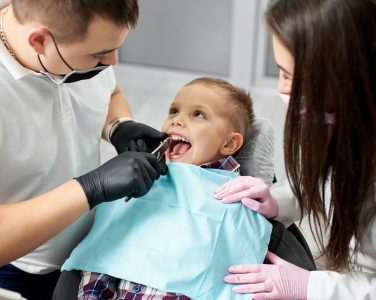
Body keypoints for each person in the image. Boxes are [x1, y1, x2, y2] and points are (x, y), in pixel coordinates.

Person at [0, 0, 168, 299]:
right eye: (99, 54)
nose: (113, 61)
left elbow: (111, 91)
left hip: (91, 249)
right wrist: (91, 187)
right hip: (21, 270)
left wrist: (118, 125)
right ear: (39, 40)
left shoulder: (78, 44)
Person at [215, 0, 376, 299]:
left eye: (292, 75)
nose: (282, 89)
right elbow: (329, 185)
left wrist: (311, 286)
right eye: (281, 72)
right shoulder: (337, 120)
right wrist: (279, 201)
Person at [59, 77, 264, 300]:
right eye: (174, 111)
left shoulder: (236, 193)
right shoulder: (139, 179)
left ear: (229, 144)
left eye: (198, 114)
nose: (176, 120)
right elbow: (102, 254)